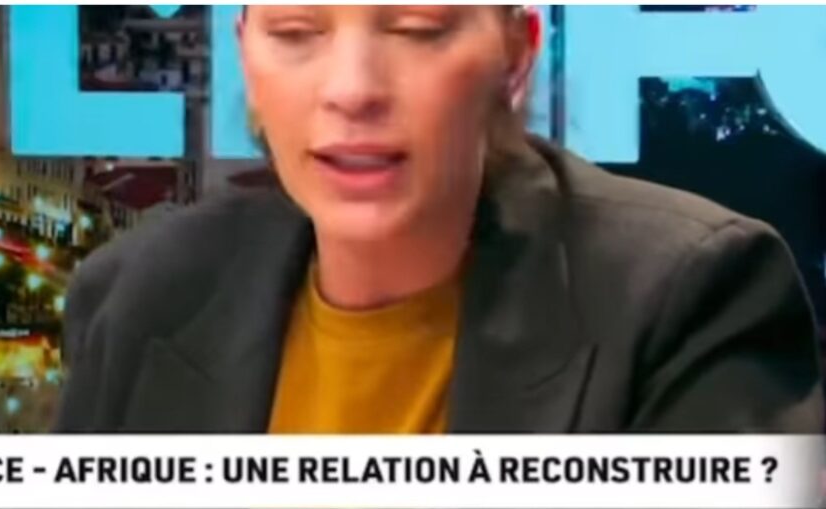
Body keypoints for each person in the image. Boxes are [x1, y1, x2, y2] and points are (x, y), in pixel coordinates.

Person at [54, 6, 822, 433]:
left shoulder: (692, 298)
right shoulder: (136, 295)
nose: (352, 89)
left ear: (516, 57)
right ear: (246, 58)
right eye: (296, 33)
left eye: (417, 28)